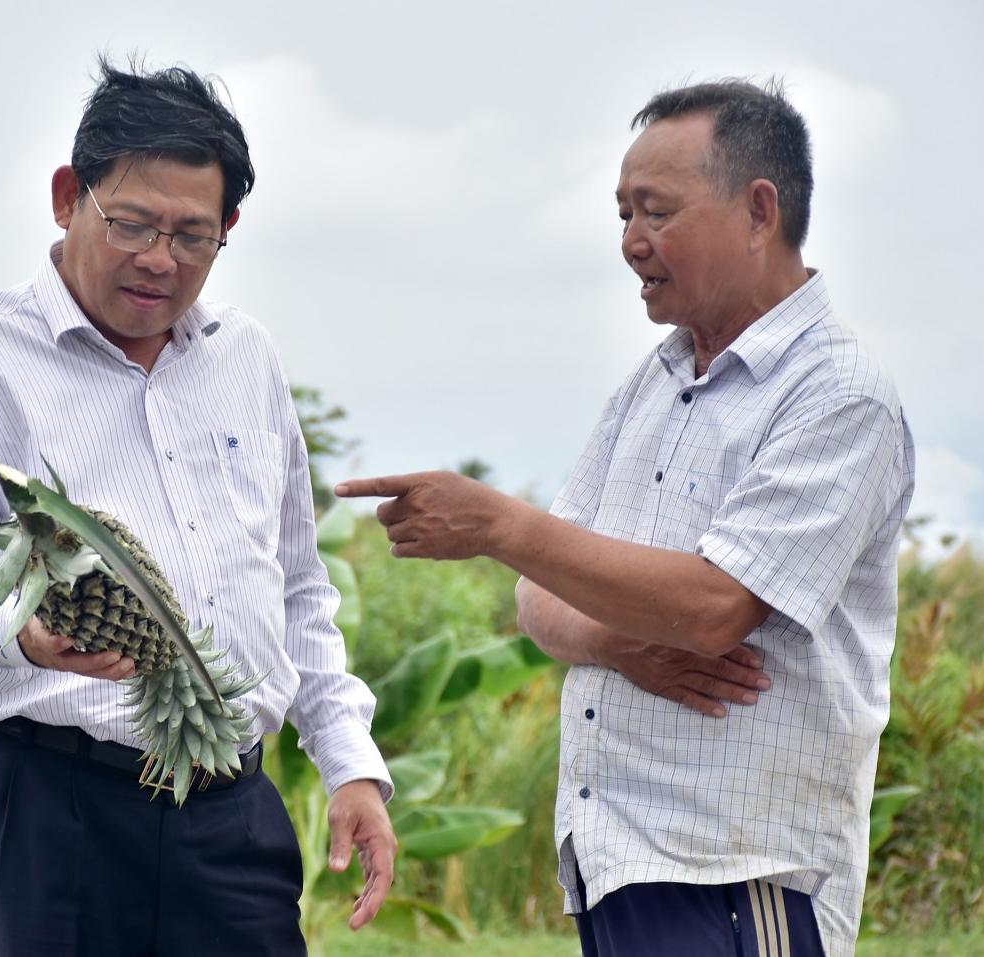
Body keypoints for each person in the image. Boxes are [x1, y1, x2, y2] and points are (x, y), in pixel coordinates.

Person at [337, 79, 914, 957]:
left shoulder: (838, 397)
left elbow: (717, 607)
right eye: (622, 214)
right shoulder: (653, 381)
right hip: (617, 861)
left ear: (760, 210)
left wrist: (498, 523)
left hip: (738, 878)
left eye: (656, 212)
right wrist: (615, 642)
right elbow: (539, 599)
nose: (631, 243)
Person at [0, 58, 396, 957]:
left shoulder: (246, 358)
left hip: (229, 814)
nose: (161, 259)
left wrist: (349, 761)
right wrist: (24, 632)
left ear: (229, 228)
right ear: (65, 197)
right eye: (133, 224)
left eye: (194, 235)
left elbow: (297, 587)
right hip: (51, 808)